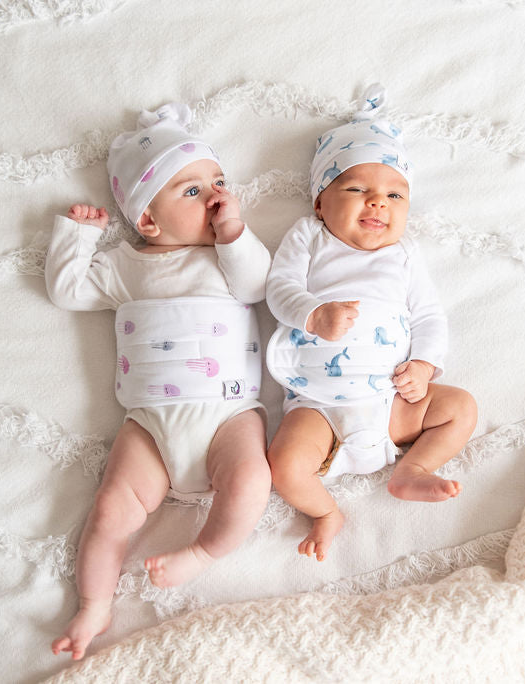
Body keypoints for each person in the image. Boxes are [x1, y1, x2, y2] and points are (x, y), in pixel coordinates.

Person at [45, 102, 271, 660]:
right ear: (148, 220)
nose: (216, 195)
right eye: (192, 191)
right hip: (148, 424)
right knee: (108, 510)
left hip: (227, 415)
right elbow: (68, 291)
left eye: (218, 181)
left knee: (251, 482)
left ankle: (204, 553)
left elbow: (260, 283)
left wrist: (235, 230)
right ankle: (94, 603)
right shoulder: (127, 265)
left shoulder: (226, 257)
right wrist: (77, 236)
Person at [265, 86, 477, 562]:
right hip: (319, 408)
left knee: (460, 407)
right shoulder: (309, 237)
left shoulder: (403, 255)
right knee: (284, 465)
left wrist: (423, 366)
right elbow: (278, 287)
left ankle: (412, 469)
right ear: (321, 203)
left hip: (393, 403)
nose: (378, 203)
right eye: (358, 189)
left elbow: (428, 316)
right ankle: (325, 513)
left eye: (394, 195)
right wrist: (313, 314)